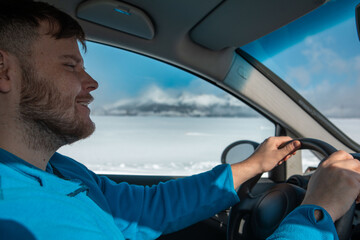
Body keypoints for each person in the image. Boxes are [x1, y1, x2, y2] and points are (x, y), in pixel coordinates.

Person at [0, 1, 359, 240]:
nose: (92, 82)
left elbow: (145, 210)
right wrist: (318, 211)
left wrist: (252, 166)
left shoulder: (59, 170)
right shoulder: (20, 216)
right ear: (4, 72)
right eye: (69, 65)